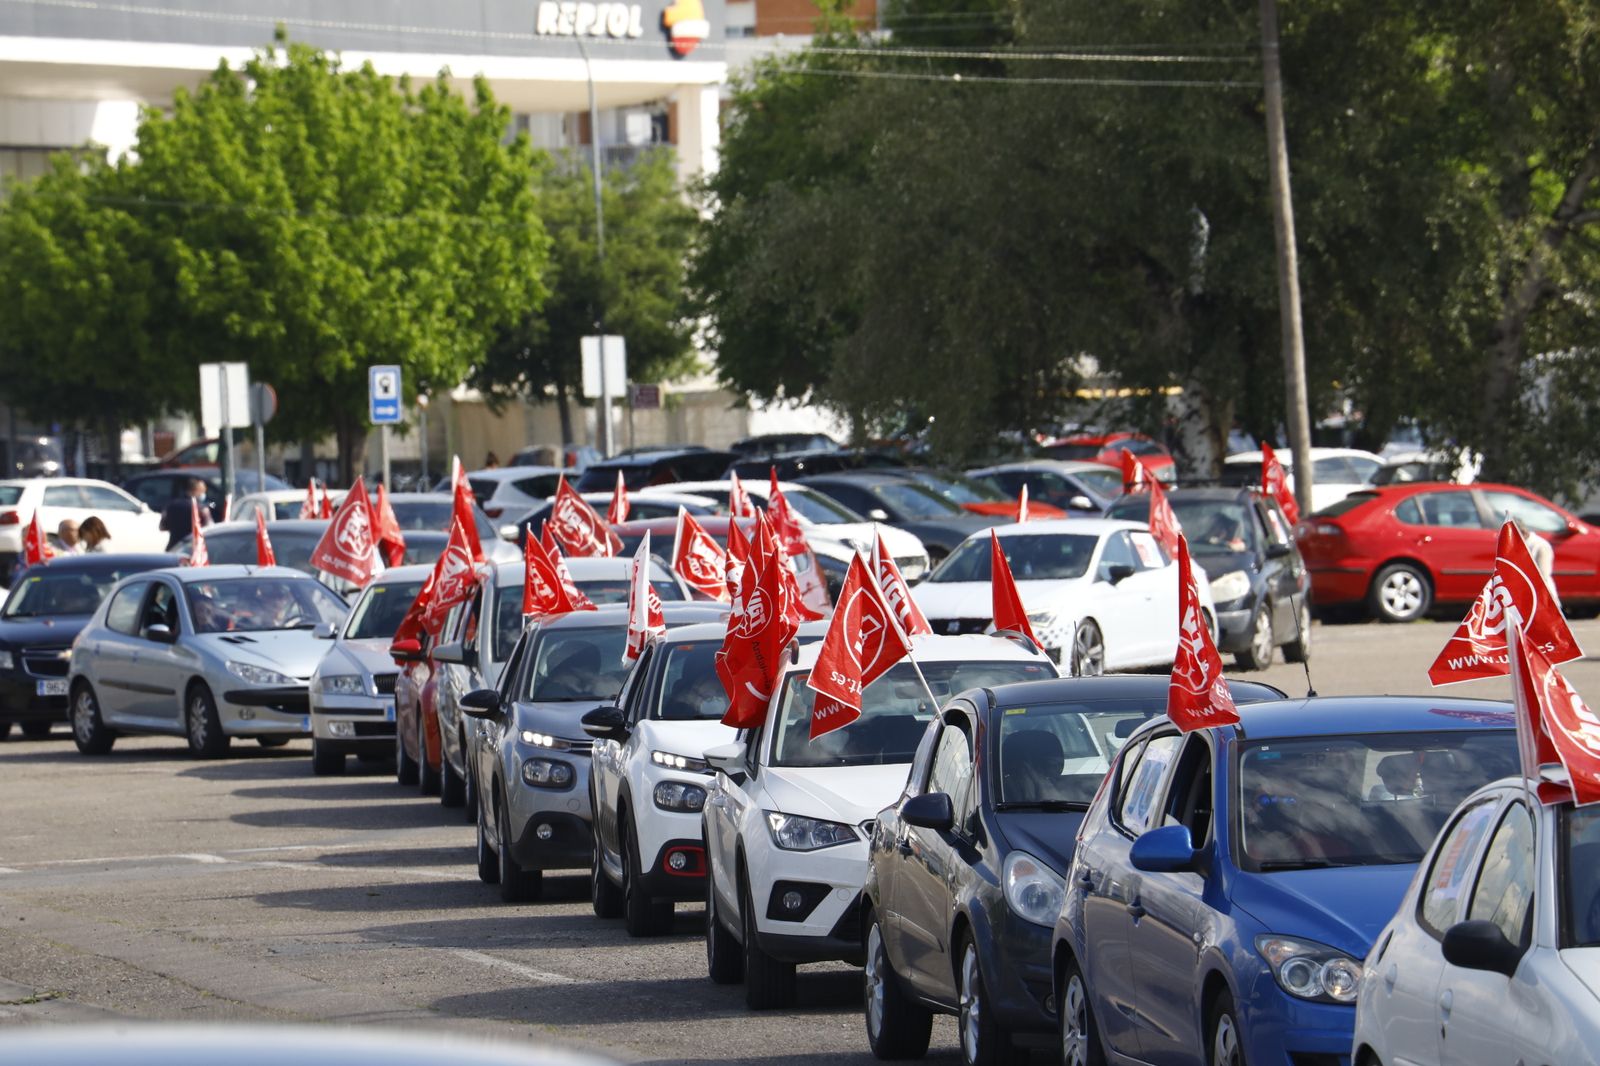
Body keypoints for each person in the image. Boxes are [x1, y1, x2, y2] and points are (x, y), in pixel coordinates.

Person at [159, 479, 211, 549]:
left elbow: (162, 527)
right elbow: (210, 529)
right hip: (193, 548)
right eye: (202, 491)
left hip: (174, 547)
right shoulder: (201, 509)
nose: (203, 494)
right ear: (195, 490)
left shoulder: (171, 505)